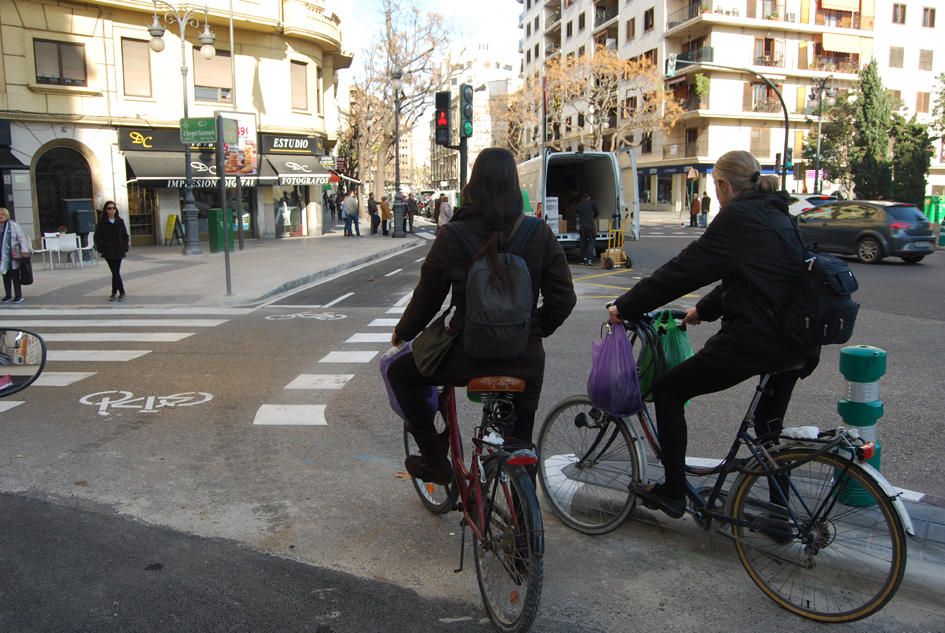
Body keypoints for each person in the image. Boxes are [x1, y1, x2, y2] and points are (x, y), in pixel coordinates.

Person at [606, 150, 816, 518]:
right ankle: (782, 516)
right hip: (797, 340)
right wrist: (702, 311)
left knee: (669, 390)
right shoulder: (775, 212)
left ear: (721, 185)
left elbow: (685, 269)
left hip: (758, 339)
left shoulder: (739, 216)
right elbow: (749, 277)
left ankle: (673, 492)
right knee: (768, 431)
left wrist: (625, 307)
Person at [387, 147, 577, 483]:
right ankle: (523, 518)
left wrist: (404, 332)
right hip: (525, 358)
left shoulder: (453, 235)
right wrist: (532, 330)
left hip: (467, 356)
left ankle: (434, 459)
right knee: (520, 444)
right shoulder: (539, 234)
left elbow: (428, 298)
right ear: (514, 186)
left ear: (473, 185)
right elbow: (564, 299)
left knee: (401, 374)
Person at [93, 201, 130, 302]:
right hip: (108, 250)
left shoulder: (120, 221)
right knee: (115, 272)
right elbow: (97, 237)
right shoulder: (102, 222)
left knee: (116, 272)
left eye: (113, 208)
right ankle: (118, 292)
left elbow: (125, 236)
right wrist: (101, 247)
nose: (112, 210)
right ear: (105, 210)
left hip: (118, 250)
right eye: (109, 208)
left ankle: (117, 292)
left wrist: (125, 246)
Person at [0, 207, 30, 304]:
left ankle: (18, 296)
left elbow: (21, 238)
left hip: (13, 255)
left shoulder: (14, 225)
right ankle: (8, 295)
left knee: (15, 275)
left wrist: (24, 250)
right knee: (5, 276)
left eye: (3, 214)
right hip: (3, 257)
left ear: (7, 215)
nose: (1, 216)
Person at [575, 193, 598, 266]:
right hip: (590, 227)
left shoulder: (579, 205)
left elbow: (577, 213)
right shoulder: (592, 203)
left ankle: (583, 259)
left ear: (582, 198)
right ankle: (589, 258)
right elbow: (597, 212)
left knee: (583, 243)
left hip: (582, 228)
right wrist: (593, 216)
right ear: (589, 197)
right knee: (591, 242)